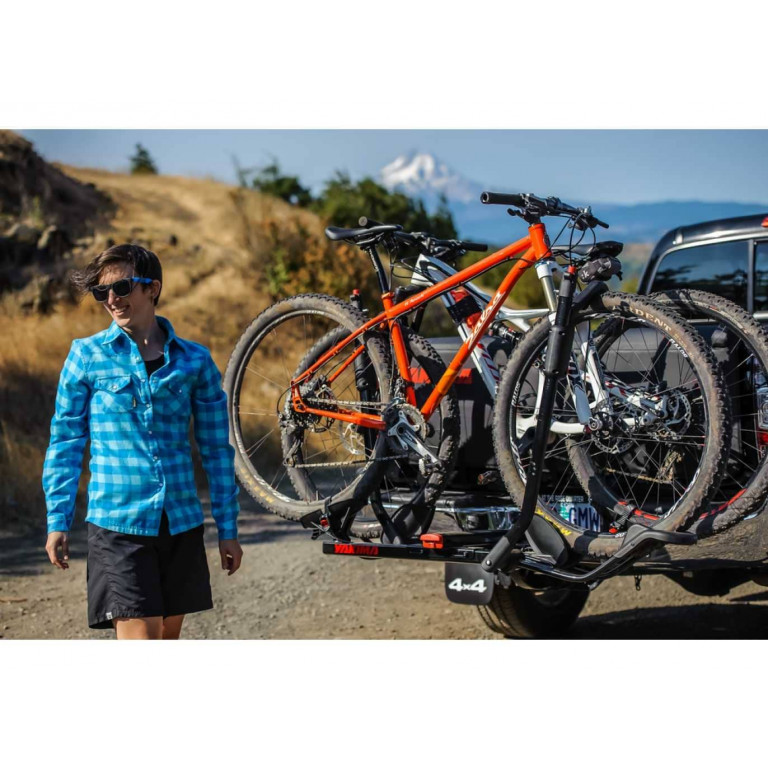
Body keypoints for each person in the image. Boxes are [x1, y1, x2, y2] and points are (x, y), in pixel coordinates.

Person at [42, 244, 242, 639]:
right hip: (117, 525)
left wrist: (228, 528)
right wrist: (57, 519)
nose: (112, 300)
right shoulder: (85, 356)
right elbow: (65, 441)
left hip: (180, 523)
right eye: (102, 292)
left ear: (153, 288)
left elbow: (217, 451)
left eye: (121, 288)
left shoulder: (195, 361)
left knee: (167, 640)